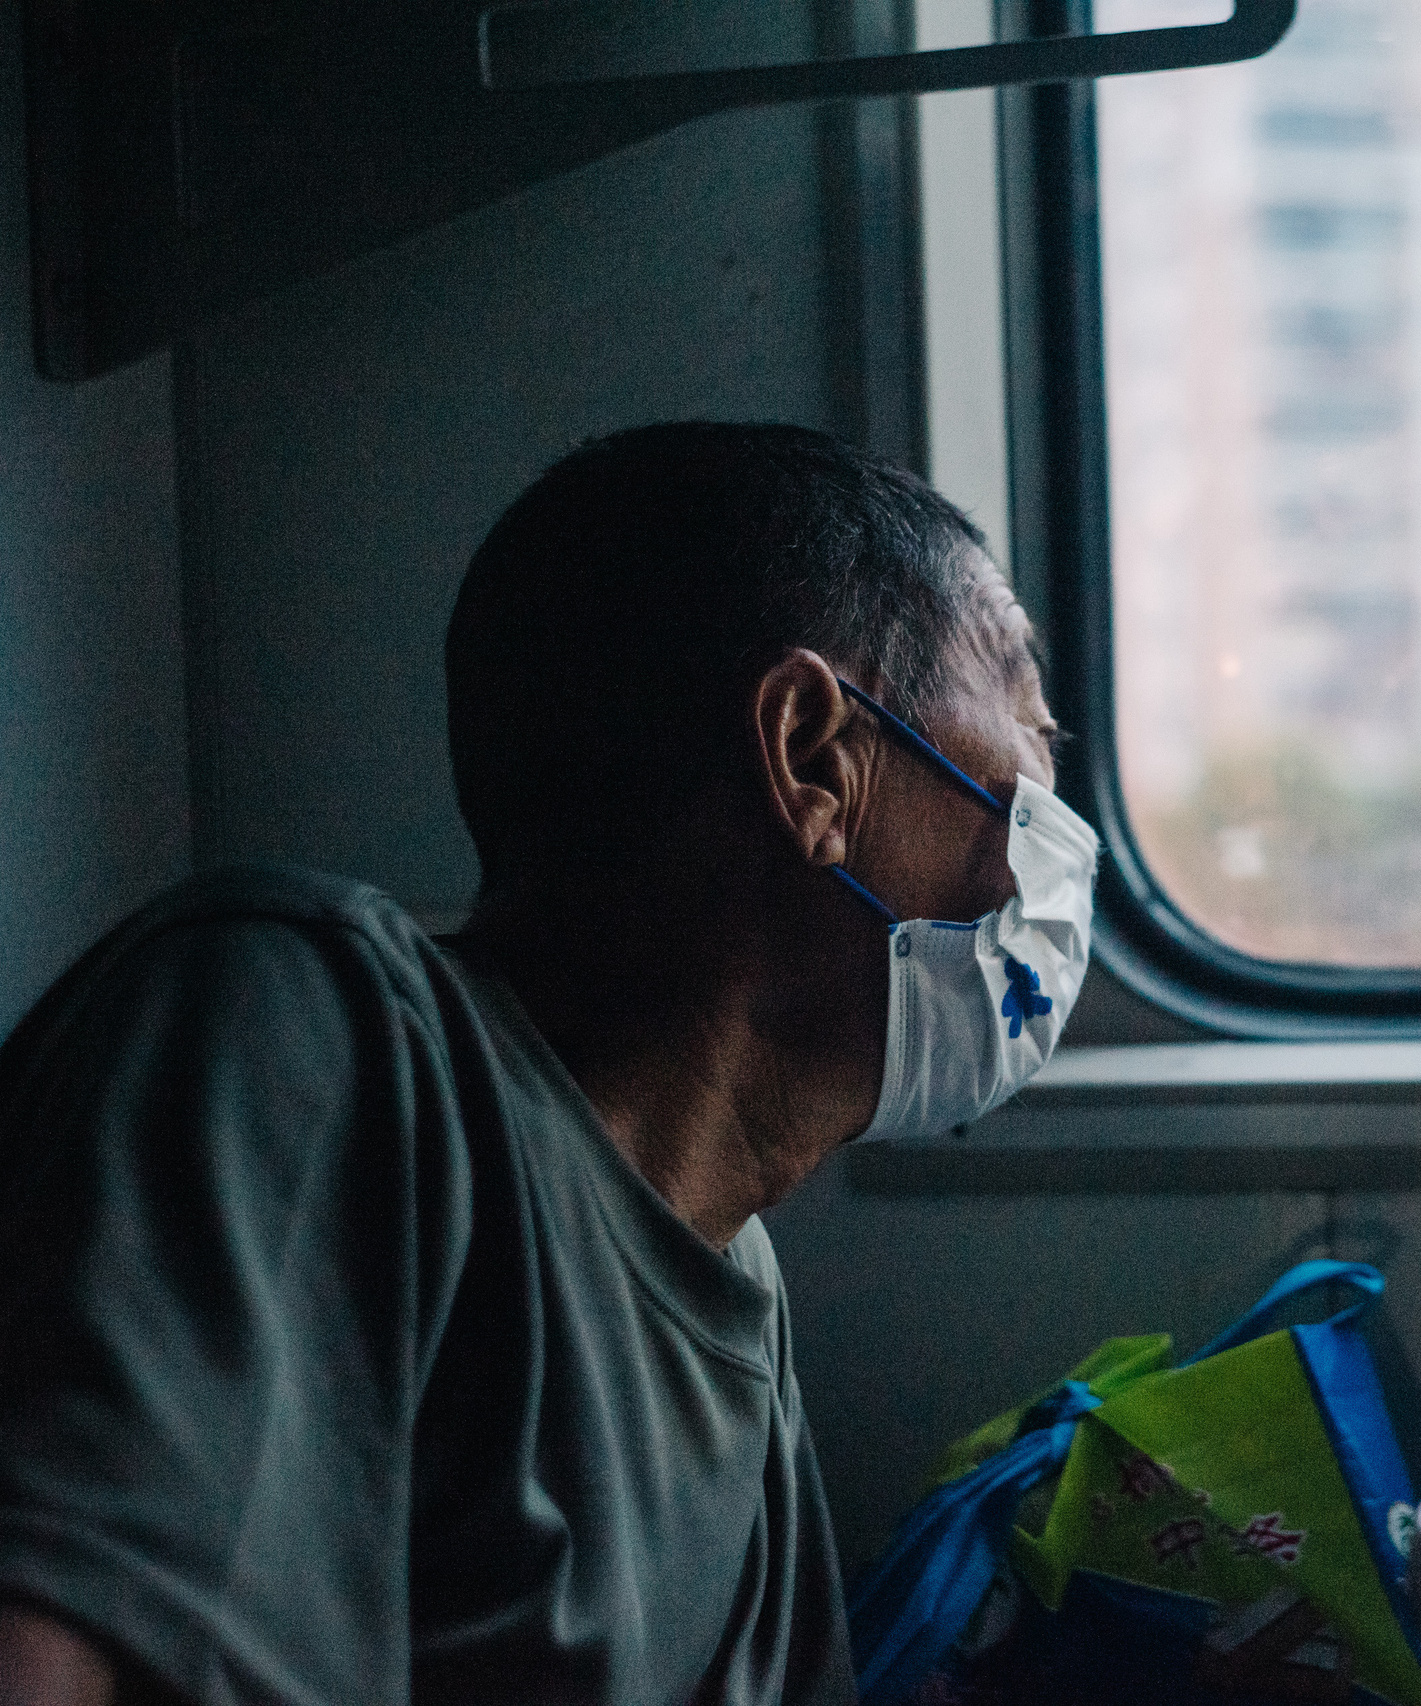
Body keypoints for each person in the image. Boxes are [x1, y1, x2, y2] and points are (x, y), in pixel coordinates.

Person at [0, 423, 1098, 1705]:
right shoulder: (312, 1023)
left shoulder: (733, 1276)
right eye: (1031, 739)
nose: (1056, 839)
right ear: (813, 757)